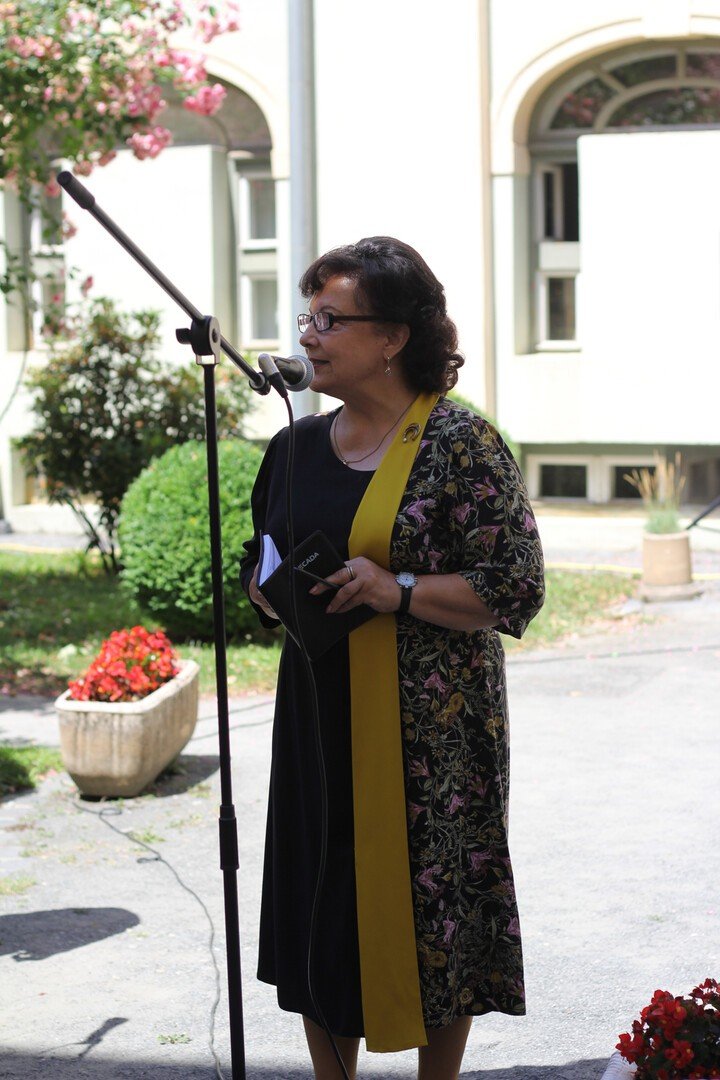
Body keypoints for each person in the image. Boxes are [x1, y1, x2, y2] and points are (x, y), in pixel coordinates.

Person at [240, 236, 545, 1080]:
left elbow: (514, 586)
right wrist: (265, 588)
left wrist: (397, 587)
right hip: (316, 719)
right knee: (319, 904)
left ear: (392, 338)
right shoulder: (294, 448)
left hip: (431, 739)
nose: (309, 336)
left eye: (330, 319)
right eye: (308, 318)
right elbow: (261, 557)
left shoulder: (459, 443)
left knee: (436, 914)